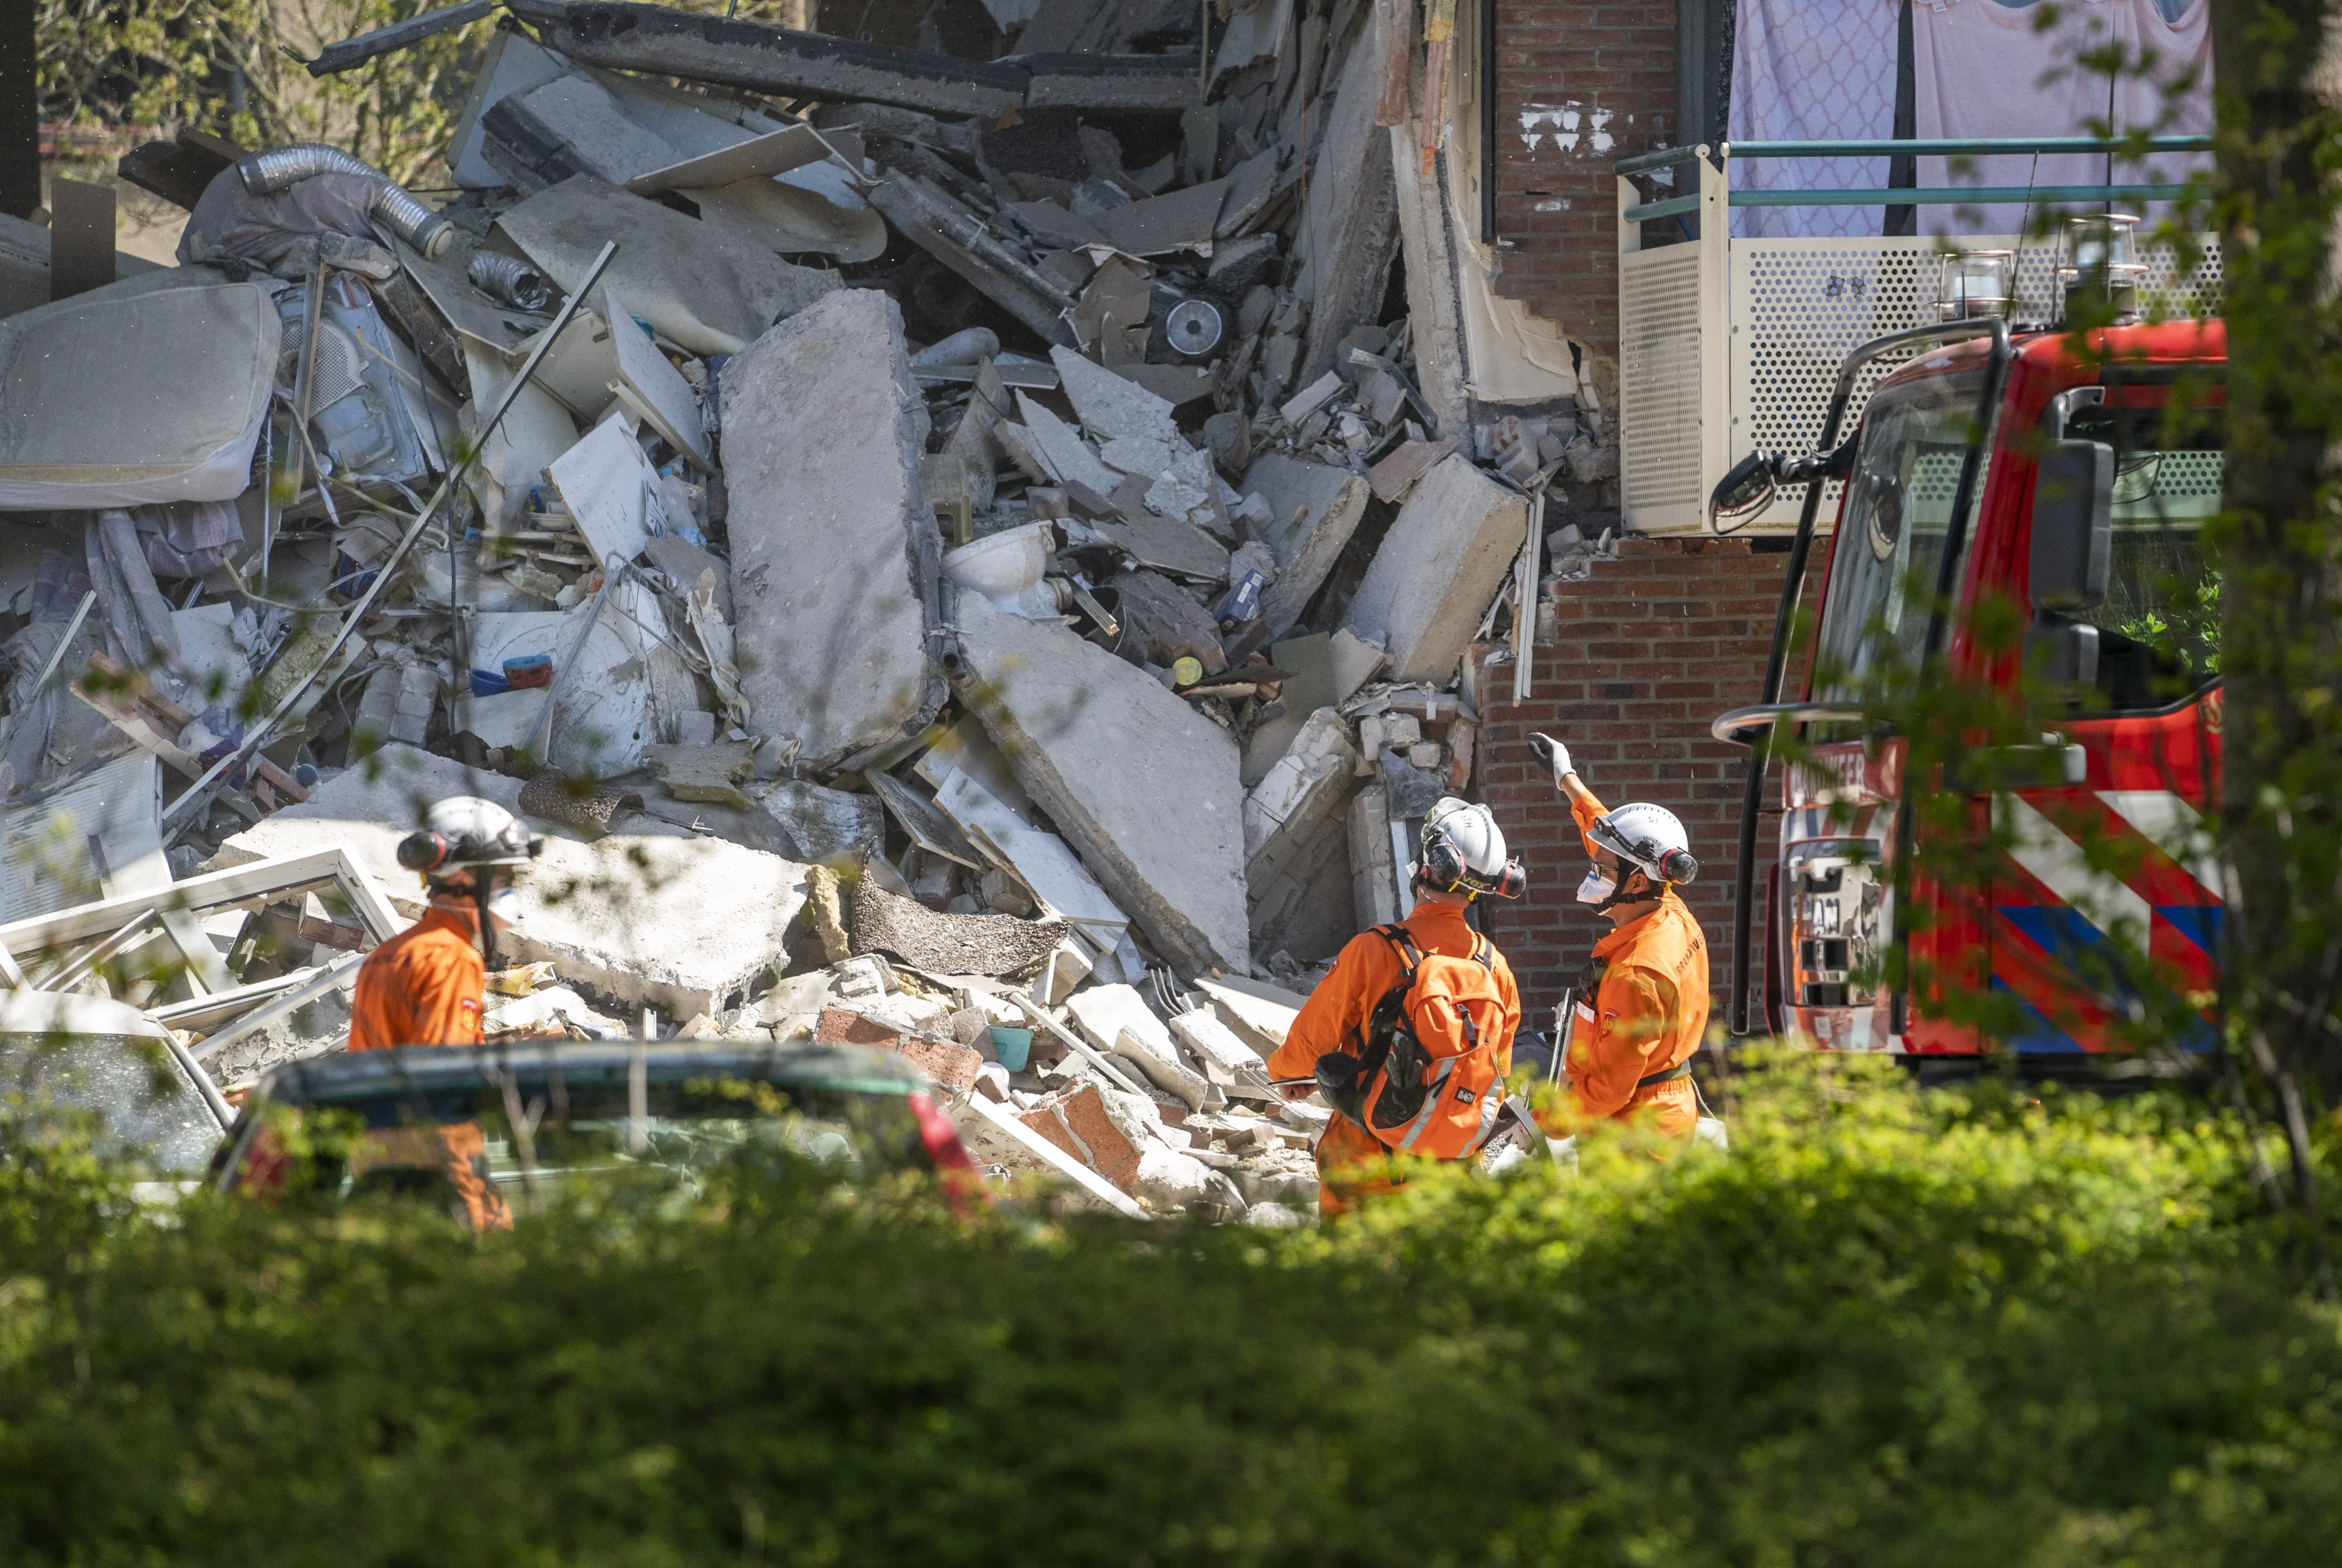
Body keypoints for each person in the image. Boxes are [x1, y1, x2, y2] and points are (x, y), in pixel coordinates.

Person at [1266, 797, 1525, 1215]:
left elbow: (1312, 1041)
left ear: (1427, 867)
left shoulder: (1373, 950)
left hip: (1371, 1167)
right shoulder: (1496, 969)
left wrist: (1288, 1075)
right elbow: (1496, 1072)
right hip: (1452, 1173)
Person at [343, 795, 542, 1230]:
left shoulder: (385, 957)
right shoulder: (452, 960)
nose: (509, 888)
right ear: (464, 877)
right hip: (434, 1189)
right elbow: (440, 1092)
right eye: (504, 876)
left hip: (377, 1175)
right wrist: (477, 1213)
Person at [1528, 732, 1708, 1149]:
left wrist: (1538, 1123)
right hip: (1665, 1107)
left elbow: (1608, 1090)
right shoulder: (1670, 910)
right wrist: (1566, 778)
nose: (1594, 872)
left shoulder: (1635, 974)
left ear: (1638, 882)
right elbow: (1616, 842)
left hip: (1635, 1133)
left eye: (1601, 869)